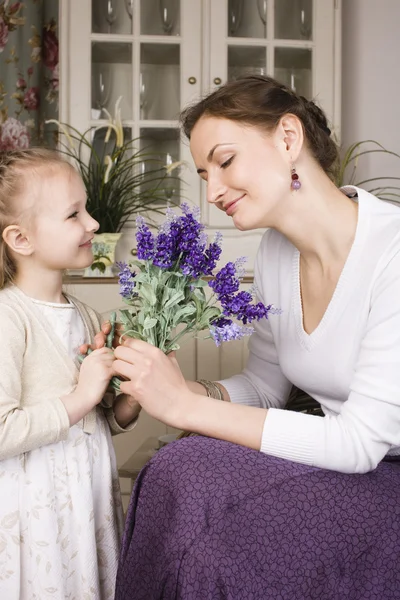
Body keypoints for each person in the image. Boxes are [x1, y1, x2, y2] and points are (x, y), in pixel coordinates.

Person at [103, 75, 400, 598]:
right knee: (179, 468)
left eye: (224, 161)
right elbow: (266, 386)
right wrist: (183, 389)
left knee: (196, 482)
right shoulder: (276, 253)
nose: (212, 191)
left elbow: (359, 444)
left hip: (380, 474)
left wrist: (186, 411)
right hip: (349, 467)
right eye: (202, 173)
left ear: (289, 138)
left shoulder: (392, 254)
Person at [0, 148, 141, 600]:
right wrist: (82, 395)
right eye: (73, 214)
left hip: (87, 505)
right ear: (21, 239)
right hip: (37, 516)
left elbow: (95, 424)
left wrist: (129, 397)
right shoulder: (8, 318)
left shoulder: (84, 314)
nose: (94, 224)